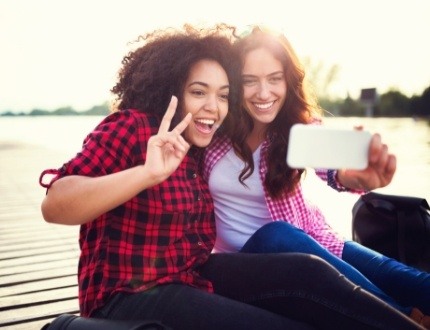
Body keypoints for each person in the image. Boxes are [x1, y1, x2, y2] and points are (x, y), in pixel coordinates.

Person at [39, 24, 423, 330]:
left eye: (223, 95)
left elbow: (325, 161)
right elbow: (56, 203)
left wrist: (353, 176)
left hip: (205, 270)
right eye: (199, 91)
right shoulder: (139, 129)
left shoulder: (212, 141)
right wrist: (144, 174)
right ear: (172, 89)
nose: (213, 106)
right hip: (129, 292)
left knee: (315, 272)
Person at [203, 26, 430, 329]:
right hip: (246, 264)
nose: (264, 93)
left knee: (406, 279)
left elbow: (334, 170)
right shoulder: (212, 134)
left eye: (274, 79)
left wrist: (355, 178)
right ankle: (404, 318)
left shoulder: (298, 132)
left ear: (288, 81)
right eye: (249, 81)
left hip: (310, 243)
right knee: (274, 234)